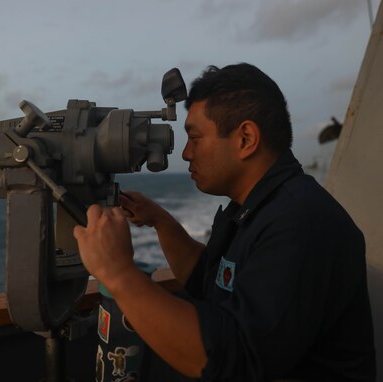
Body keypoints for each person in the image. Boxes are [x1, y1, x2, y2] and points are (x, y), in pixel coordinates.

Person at [73, 63, 376, 381]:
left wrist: (117, 273)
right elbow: (210, 282)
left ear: (246, 138)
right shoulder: (255, 209)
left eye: (195, 138)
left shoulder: (302, 223)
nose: (187, 154)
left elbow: (237, 360)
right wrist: (161, 222)